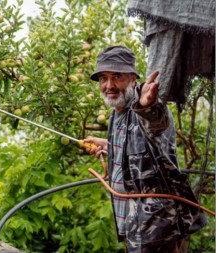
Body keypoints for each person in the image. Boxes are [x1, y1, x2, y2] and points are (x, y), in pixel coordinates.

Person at [82, 45, 207, 253]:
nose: (109, 85)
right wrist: (110, 147)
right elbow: (138, 150)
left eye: (117, 76)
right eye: (103, 78)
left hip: (156, 229)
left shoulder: (145, 106)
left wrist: (149, 106)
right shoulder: (116, 113)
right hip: (132, 225)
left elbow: (155, 122)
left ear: (133, 78)